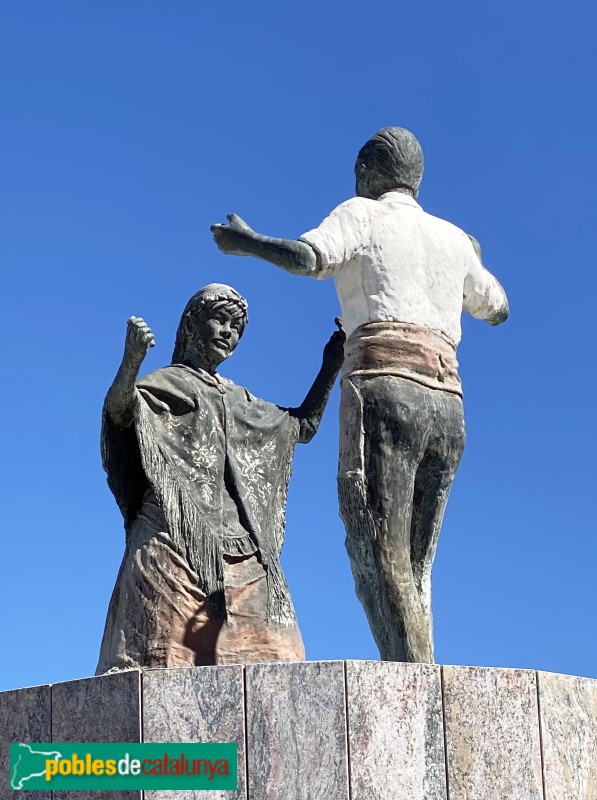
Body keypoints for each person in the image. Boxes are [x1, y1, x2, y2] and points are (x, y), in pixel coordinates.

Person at [211, 128, 509, 663]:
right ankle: (422, 668)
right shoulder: (454, 238)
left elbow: (308, 257)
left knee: (377, 544)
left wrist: (249, 243)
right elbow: (498, 307)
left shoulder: (363, 213)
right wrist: (473, 256)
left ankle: (414, 681)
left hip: (385, 386)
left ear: (370, 172)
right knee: (419, 559)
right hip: (448, 401)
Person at [96, 283, 345, 672]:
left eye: (237, 328)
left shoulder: (241, 399)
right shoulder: (166, 383)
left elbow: (304, 426)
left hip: (243, 555)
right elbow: (121, 411)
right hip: (172, 541)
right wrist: (131, 361)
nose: (229, 332)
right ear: (193, 324)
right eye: (220, 319)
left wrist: (331, 365)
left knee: (282, 657)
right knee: (163, 662)